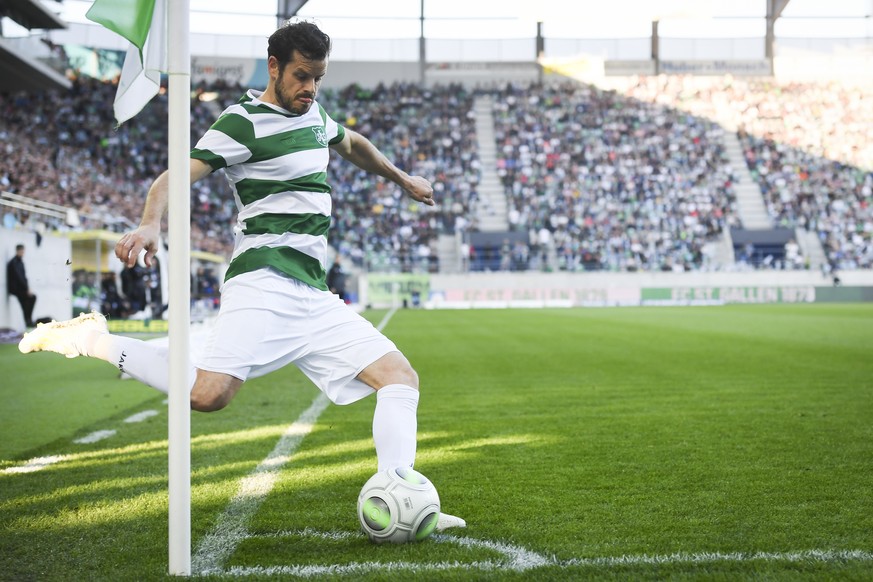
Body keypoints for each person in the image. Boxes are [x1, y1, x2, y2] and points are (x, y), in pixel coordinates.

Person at [19, 20, 463, 530]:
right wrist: (148, 223)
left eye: (317, 77)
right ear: (274, 67)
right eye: (301, 75)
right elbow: (174, 175)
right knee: (209, 395)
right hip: (264, 278)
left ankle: (398, 494)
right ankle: (94, 340)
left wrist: (401, 177)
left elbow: (352, 142)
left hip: (314, 294)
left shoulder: (313, 111)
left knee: (399, 379)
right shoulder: (242, 122)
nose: (310, 87)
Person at [7, 244, 36, 327]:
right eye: (21, 251)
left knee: (26, 304)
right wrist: (26, 289)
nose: (23, 253)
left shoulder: (20, 262)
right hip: (17, 289)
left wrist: (27, 288)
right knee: (30, 300)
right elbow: (19, 277)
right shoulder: (14, 262)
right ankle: (28, 320)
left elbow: (24, 277)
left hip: (22, 288)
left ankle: (28, 320)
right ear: (17, 251)